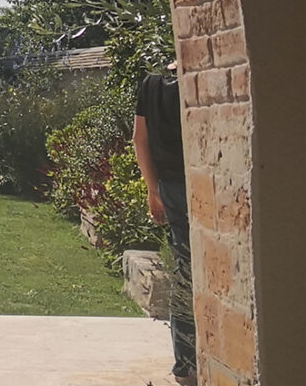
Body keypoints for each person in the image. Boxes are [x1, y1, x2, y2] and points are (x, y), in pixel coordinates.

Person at [133, 65, 195, 385]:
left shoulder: (151, 85)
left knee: (185, 276)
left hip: (170, 188)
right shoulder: (196, 77)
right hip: (199, 185)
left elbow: (138, 140)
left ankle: (186, 365)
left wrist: (152, 189)